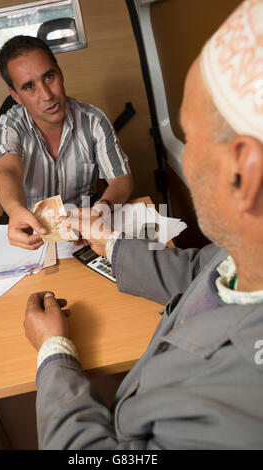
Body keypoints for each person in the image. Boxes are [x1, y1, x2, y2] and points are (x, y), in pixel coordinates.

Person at [24, 0, 263, 449]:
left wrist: (53, 353)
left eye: (188, 137)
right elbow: (199, 272)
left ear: (243, 171)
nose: (185, 159)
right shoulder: (246, 255)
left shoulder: (238, 403)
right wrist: (110, 242)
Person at [0, 35, 133, 250]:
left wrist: (101, 209)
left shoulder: (94, 120)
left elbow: (121, 179)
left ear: (60, 73)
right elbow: (7, 171)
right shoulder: (8, 127)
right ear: (15, 95)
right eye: (29, 87)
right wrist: (15, 210)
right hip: (30, 231)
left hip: (83, 227)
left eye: (48, 77)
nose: (46, 95)